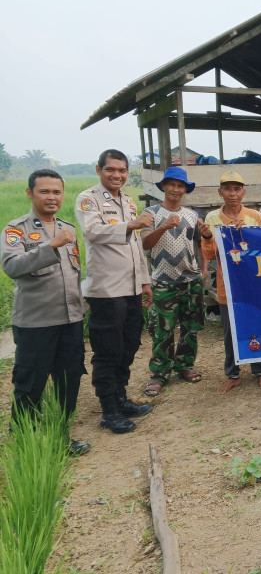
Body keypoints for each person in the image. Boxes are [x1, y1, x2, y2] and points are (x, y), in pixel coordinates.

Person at [2, 169, 90, 455]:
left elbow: (73, 275)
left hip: (70, 320)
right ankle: (26, 447)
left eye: (56, 191)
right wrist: (51, 244)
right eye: (44, 191)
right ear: (30, 193)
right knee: (29, 385)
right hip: (36, 324)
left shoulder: (67, 228)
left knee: (69, 381)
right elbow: (12, 267)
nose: (52, 197)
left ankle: (60, 437)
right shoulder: (16, 229)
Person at [76, 149, 154, 434]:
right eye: (111, 170)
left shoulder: (128, 202)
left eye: (122, 171)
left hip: (131, 287)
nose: (117, 175)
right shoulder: (88, 199)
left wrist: (145, 281)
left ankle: (121, 399)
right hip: (106, 290)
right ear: (99, 170)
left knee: (129, 344)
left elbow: (135, 246)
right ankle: (109, 410)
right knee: (108, 350)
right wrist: (132, 224)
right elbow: (93, 232)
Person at [200, 170, 261, 394]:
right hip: (226, 283)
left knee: (256, 325)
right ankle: (232, 374)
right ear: (220, 192)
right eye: (228, 189)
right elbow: (211, 254)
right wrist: (206, 237)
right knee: (230, 331)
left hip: (253, 283)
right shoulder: (212, 218)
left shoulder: (254, 217)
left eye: (237, 189)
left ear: (243, 192)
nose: (232, 193)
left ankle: (260, 371)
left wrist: (248, 234)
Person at [140, 167, 205, 397]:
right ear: (164, 187)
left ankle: (184, 366)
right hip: (163, 281)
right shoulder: (151, 213)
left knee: (191, 327)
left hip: (191, 279)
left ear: (185, 189)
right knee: (162, 328)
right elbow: (145, 243)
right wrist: (164, 226)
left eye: (181, 186)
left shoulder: (192, 215)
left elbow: (199, 245)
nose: (176, 190)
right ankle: (159, 373)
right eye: (172, 185)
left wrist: (204, 270)